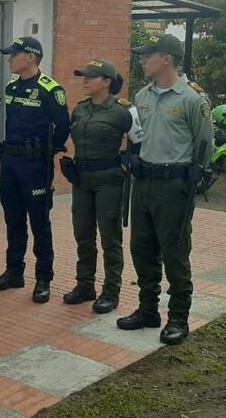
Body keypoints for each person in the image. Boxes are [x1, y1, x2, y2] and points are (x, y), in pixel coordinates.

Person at [120, 34, 213, 346]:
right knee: (142, 247)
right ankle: (148, 310)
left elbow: (205, 144)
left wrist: (194, 176)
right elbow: (141, 134)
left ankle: (178, 316)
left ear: (167, 59)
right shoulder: (142, 95)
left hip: (174, 185)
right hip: (143, 182)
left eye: (149, 56)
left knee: (174, 251)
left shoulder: (192, 98)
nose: (142, 61)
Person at [0, 37, 69, 303]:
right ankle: (14, 272)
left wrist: (50, 151)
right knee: (13, 220)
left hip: (35, 165)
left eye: (14, 55)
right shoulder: (12, 86)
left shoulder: (50, 89)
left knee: (39, 223)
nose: (10, 59)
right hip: (11, 162)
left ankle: (43, 278)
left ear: (31, 57)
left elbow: (63, 125)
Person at [63, 58, 143, 314]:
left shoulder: (123, 110)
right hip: (82, 180)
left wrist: (129, 160)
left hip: (109, 179)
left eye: (91, 77)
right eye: (83, 76)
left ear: (107, 82)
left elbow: (139, 143)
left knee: (110, 237)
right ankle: (85, 285)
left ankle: (111, 291)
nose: (84, 81)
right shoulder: (81, 109)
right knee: (83, 235)